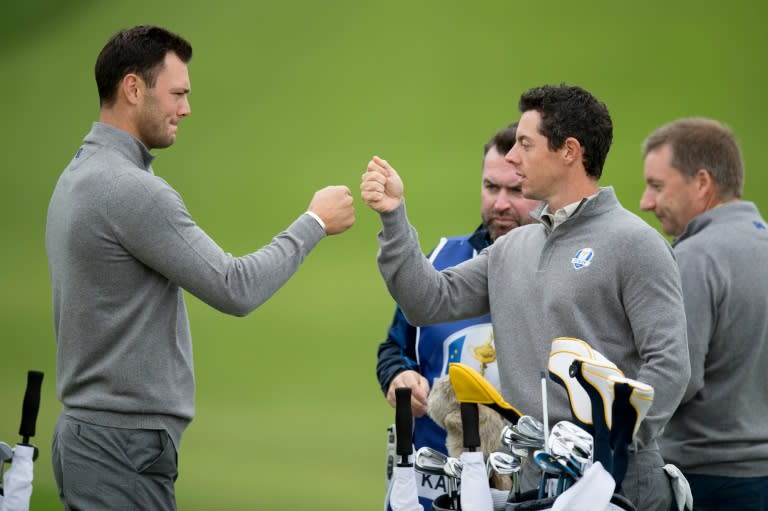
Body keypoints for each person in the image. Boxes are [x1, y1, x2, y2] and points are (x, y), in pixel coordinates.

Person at [45, 25, 355, 510]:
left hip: (95, 440)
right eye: (177, 94)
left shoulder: (79, 172)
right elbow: (235, 287)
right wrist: (314, 221)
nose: (185, 109)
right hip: (121, 448)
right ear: (132, 88)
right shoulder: (132, 190)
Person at [361, 83, 690, 511]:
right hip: (531, 484)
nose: (512, 157)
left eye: (524, 144)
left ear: (569, 151)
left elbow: (669, 365)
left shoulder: (635, 244)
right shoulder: (513, 247)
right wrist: (393, 218)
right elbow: (427, 301)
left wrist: (609, 454)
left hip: (618, 487)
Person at [378, 123, 540, 509]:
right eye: (490, 187)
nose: (500, 203)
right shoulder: (441, 261)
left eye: (515, 190)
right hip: (433, 486)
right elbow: (396, 347)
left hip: (524, 489)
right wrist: (398, 374)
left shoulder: (559, 273)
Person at [640, 118, 768, 510]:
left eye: (657, 186)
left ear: (701, 183)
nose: (646, 202)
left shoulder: (693, 258)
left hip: (707, 480)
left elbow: (678, 379)